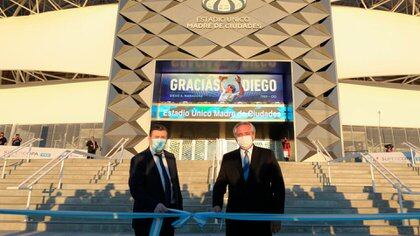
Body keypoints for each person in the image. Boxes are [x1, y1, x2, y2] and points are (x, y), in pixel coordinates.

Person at [212, 122, 285, 236]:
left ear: (253, 135)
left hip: (261, 217)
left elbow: (278, 186)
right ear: (235, 138)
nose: (243, 137)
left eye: (246, 133)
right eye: (239, 134)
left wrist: (277, 215)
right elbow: (220, 183)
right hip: (235, 218)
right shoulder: (228, 158)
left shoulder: (267, 155)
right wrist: (217, 204)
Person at [129, 124, 183, 236]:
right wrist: (154, 205)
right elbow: (136, 189)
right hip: (147, 218)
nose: (160, 140)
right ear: (149, 138)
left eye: (163, 137)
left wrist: (180, 211)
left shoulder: (170, 157)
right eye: (156, 137)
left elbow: (175, 185)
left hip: (168, 218)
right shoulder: (139, 160)